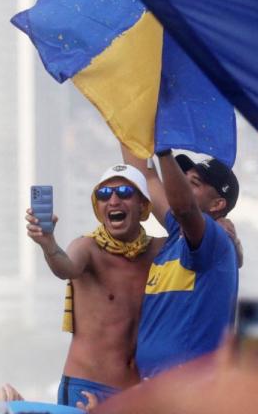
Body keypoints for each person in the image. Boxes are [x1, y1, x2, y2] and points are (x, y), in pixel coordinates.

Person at [26, 164, 165, 408]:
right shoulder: (87, 248)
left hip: (135, 391)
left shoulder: (160, 250)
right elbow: (65, 268)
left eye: (123, 192)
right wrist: (48, 244)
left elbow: (204, 245)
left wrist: (230, 239)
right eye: (103, 195)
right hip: (86, 385)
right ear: (98, 208)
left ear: (142, 205)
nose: (113, 200)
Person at [123, 147, 240, 378]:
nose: (180, 185)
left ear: (217, 204)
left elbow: (184, 207)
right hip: (157, 387)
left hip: (190, 389)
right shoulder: (177, 232)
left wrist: (164, 152)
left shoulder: (215, 240)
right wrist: (127, 118)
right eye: (182, 179)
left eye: (193, 184)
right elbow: (146, 176)